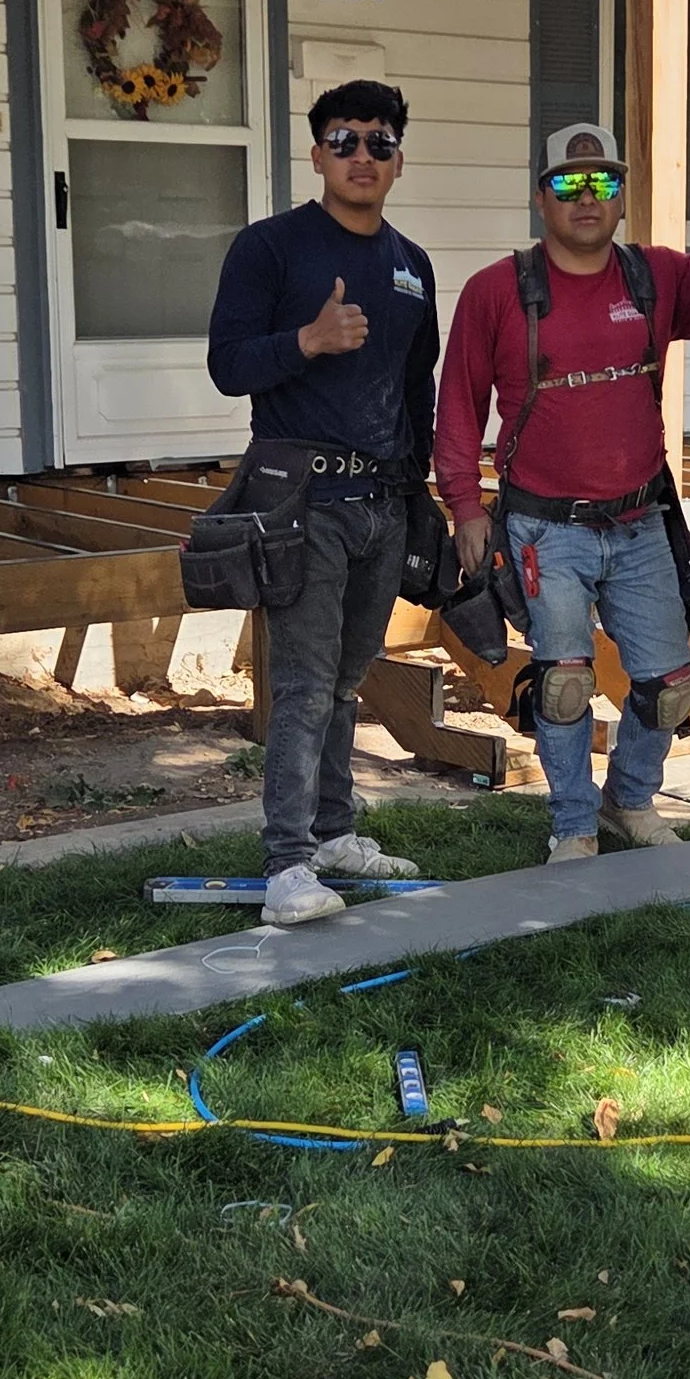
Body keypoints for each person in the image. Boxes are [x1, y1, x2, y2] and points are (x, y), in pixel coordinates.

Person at [436, 123, 690, 859]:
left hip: (639, 521)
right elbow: (459, 405)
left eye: (604, 181)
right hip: (544, 527)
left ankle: (627, 800)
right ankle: (571, 822)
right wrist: (465, 506)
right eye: (569, 183)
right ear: (542, 199)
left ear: (623, 195)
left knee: (669, 683)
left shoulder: (655, 277)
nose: (588, 196)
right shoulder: (497, 290)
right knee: (564, 682)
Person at [205, 79, 438, 925]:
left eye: (380, 141)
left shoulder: (413, 266)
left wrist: (421, 496)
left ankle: (335, 832)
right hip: (301, 496)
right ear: (317, 155)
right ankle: (288, 866)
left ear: (398, 159)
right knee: (304, 683)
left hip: (382, 498)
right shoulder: (270, 249)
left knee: (347, 677)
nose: (363, 155)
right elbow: (228, 363)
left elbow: (419, 388)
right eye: (345, 140)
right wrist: (308, 340)